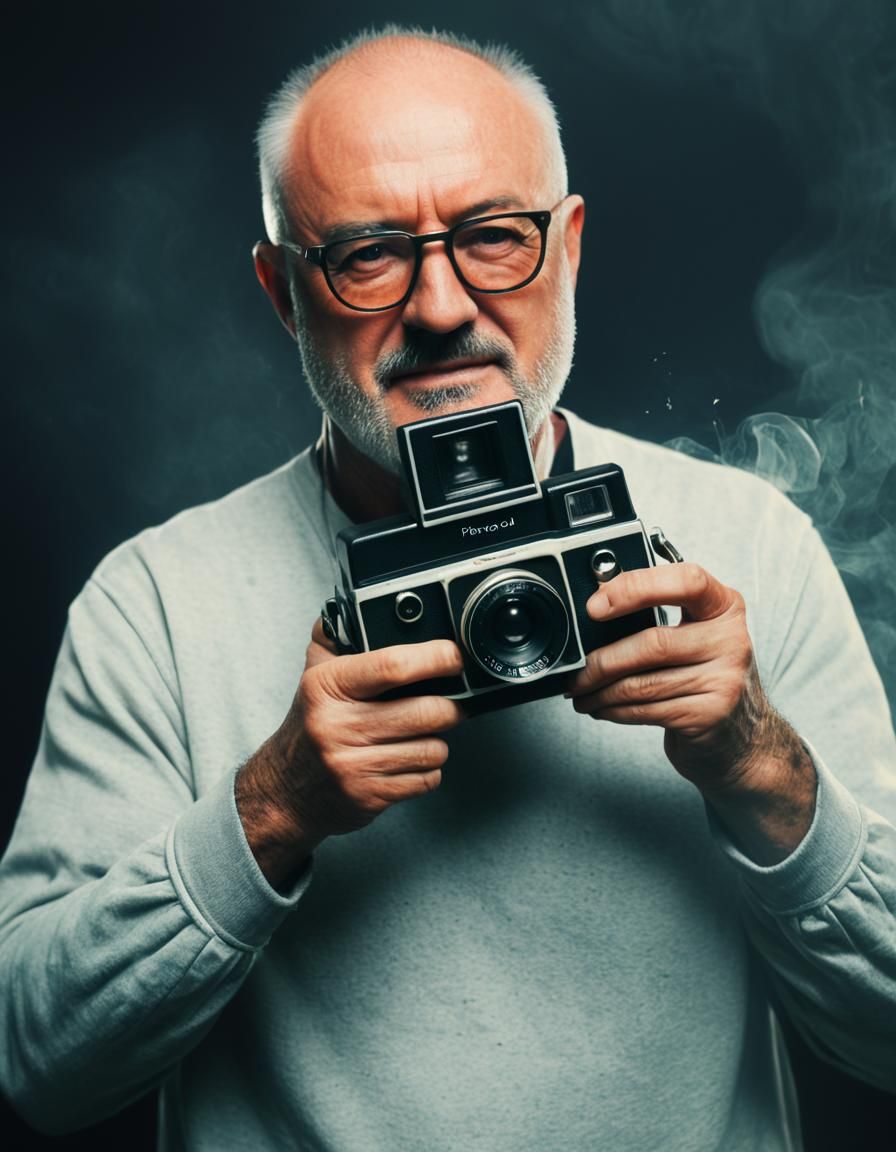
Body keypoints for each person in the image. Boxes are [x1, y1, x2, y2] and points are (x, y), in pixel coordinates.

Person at [1, 25, 894, 1151]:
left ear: (566, 249)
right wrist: (272, 810)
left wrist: (762, 770)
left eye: (490, 237)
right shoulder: (157, 603)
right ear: (284, 292)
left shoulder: (743, 544)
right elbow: (35, 1066)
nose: (439, 308)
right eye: (368, 253)